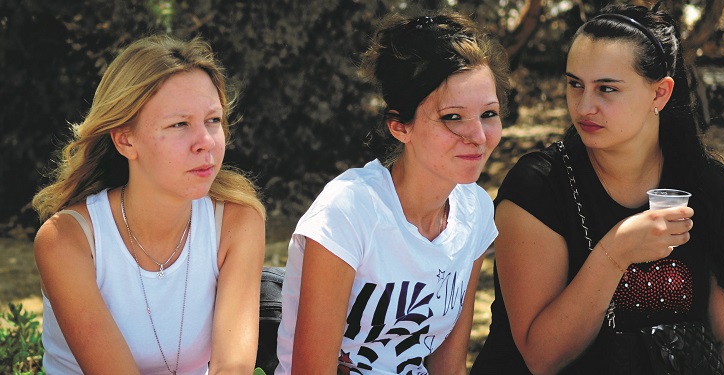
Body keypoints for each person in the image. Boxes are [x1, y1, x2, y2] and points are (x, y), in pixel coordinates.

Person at [471, 3, 724, 374]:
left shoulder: (706, 184)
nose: (585, 106)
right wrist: (615, 252)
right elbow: (542, 358)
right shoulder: (537, 188)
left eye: (606, 89)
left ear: (659, 94)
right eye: (575, 85)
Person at [274, 11, 511, 375]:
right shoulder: (349, 212)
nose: (478, 136)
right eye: (452, 117)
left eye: (489, 114)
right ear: (400, 126)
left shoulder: (475, 210)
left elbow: (448, 366)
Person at [32, 35, 266, 374]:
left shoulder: (237, 221)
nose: (206, 142)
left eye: (213, 120)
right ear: (126, 139)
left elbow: (234, 368)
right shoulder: (67, 241)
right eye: (179, 124)